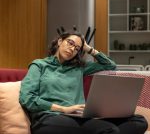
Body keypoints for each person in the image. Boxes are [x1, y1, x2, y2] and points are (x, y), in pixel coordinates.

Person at [19, 30, 148, 134]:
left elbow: (110, 65)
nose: (72, 49)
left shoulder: (79, 68)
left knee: (139, 121)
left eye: (77, 48)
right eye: (70, 43)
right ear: (59, 41)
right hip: (49, 118)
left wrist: (88, 48)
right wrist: (64, 109)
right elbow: (27, 98)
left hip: (78, 117)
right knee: (108, 129)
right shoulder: (39, 65)